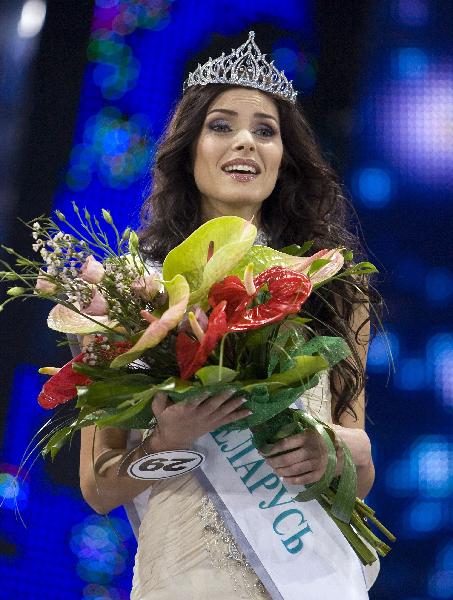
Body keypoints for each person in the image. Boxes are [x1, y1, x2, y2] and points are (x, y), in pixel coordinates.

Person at [79, 31, 378, 599]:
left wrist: (335, 452)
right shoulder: (131, 292)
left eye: (265, 131)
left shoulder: (332, 288)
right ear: (189, 149)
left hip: (309, 575)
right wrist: (166, 442)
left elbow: (358, 476)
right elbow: (98, 486)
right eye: (221, 125)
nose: (245, 141)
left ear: (283, 157)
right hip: (185, 579)